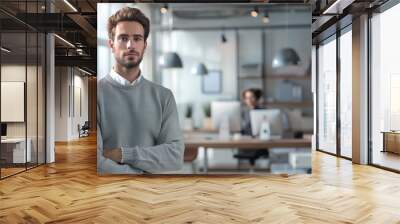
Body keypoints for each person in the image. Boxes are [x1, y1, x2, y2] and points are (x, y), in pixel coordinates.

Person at [97, 7, 184, 174]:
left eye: (137, 39)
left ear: (144, 45)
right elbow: (96, 162)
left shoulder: (163, 97)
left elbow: (175, 157)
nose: (131, 45)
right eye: (123, 38)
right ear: (111, 44)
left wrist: (123, 154)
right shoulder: (95, 95)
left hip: (153, 197)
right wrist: (140, 176)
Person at [234, 88, 269, 171]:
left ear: (257, 98)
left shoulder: (263, 112)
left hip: (259, 144)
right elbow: (242, 129)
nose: (249, 100)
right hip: (246, 142)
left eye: (251, 97)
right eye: (246, 98)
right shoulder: (244, 113)